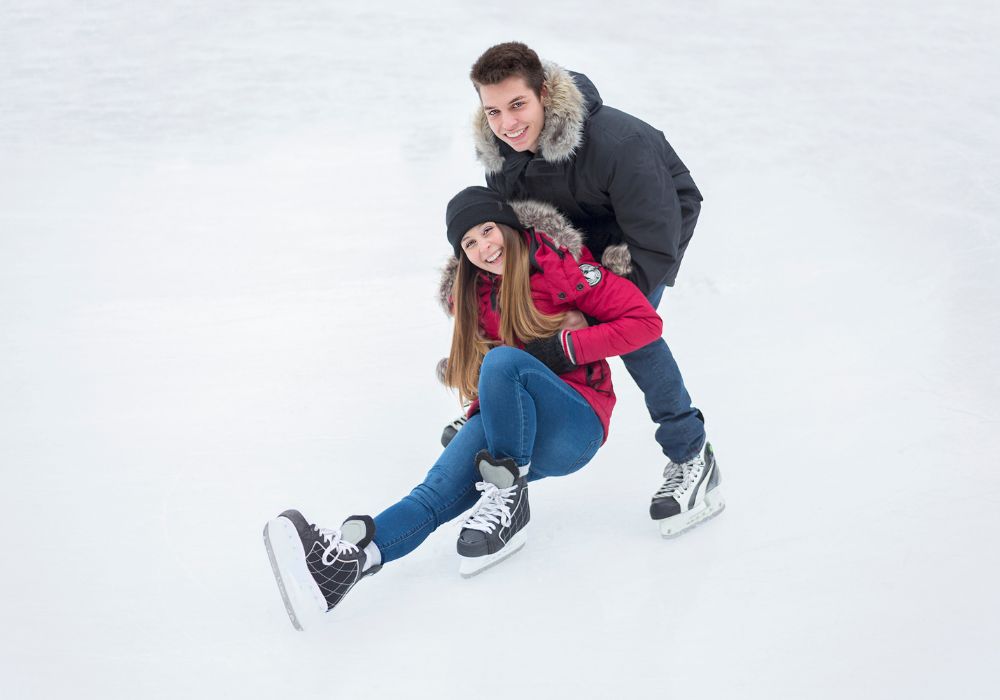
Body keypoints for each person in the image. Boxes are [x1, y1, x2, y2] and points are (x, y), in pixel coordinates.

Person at [263, 187, 663, 630]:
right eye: (469, 244)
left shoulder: (564, 269)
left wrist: (566, 347)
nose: (483, 248)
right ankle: (344, 566)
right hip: (519, 433)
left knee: (504, 360)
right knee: (433, 493)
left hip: (578, 422)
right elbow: (493, 378)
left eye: (487, 231)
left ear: (508, 228)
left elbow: (646, 323)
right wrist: (482, 415)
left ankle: (509, 495)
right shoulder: (476, 298)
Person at [447, 41, 723, 538]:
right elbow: (511, 231)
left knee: (633, 334)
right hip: (572, 236)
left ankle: (691, 453)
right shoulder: (502, 156)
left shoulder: (620, 144)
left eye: (518, 105)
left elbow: (656, 237)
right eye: (493, 111)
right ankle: (497, 424)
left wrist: (594, 312)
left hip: (642, 235)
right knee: (517, 310)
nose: (507, 124)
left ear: (544, 94)